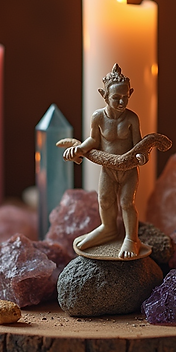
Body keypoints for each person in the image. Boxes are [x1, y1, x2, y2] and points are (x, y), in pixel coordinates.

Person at [63, 64, 146, 259]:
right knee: (105, 200)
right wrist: (80, 149)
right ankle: (108, 229)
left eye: (125, 97)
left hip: (128, 170)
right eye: (116, 98)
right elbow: (94, 140)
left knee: (127, 202)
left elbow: (139, 144)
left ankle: (131, 239)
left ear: (130, 93)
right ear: (104, 95)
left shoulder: (132, 118)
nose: (121, 102)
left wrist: (142, 156)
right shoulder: (98, 117)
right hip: (108, 169)